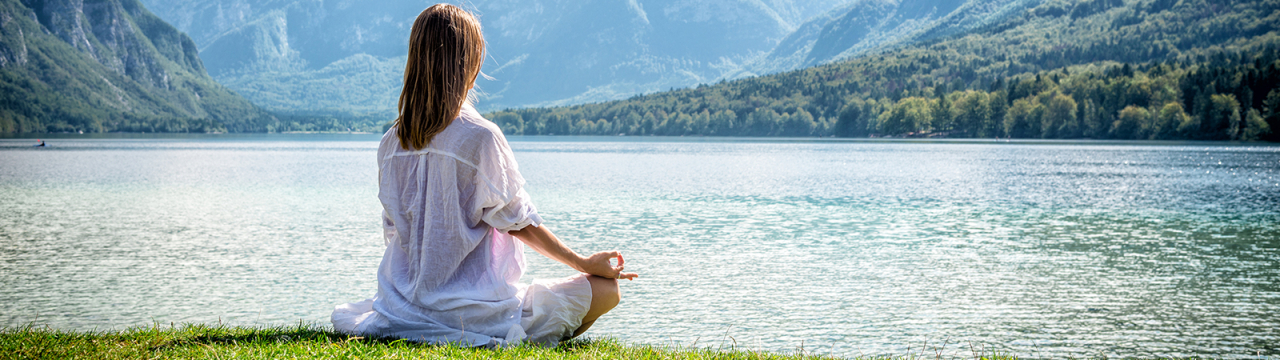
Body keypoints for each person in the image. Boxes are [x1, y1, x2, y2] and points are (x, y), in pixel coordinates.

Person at [331, 4, 637, 347]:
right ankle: (523, 340)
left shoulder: (391, 141)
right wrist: (583, 261)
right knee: (607, 291)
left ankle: (505, 330)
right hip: (470, 313)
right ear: (470, 62)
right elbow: (520, 223)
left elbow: (394, 232)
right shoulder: (480, 136)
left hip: (400, 307)